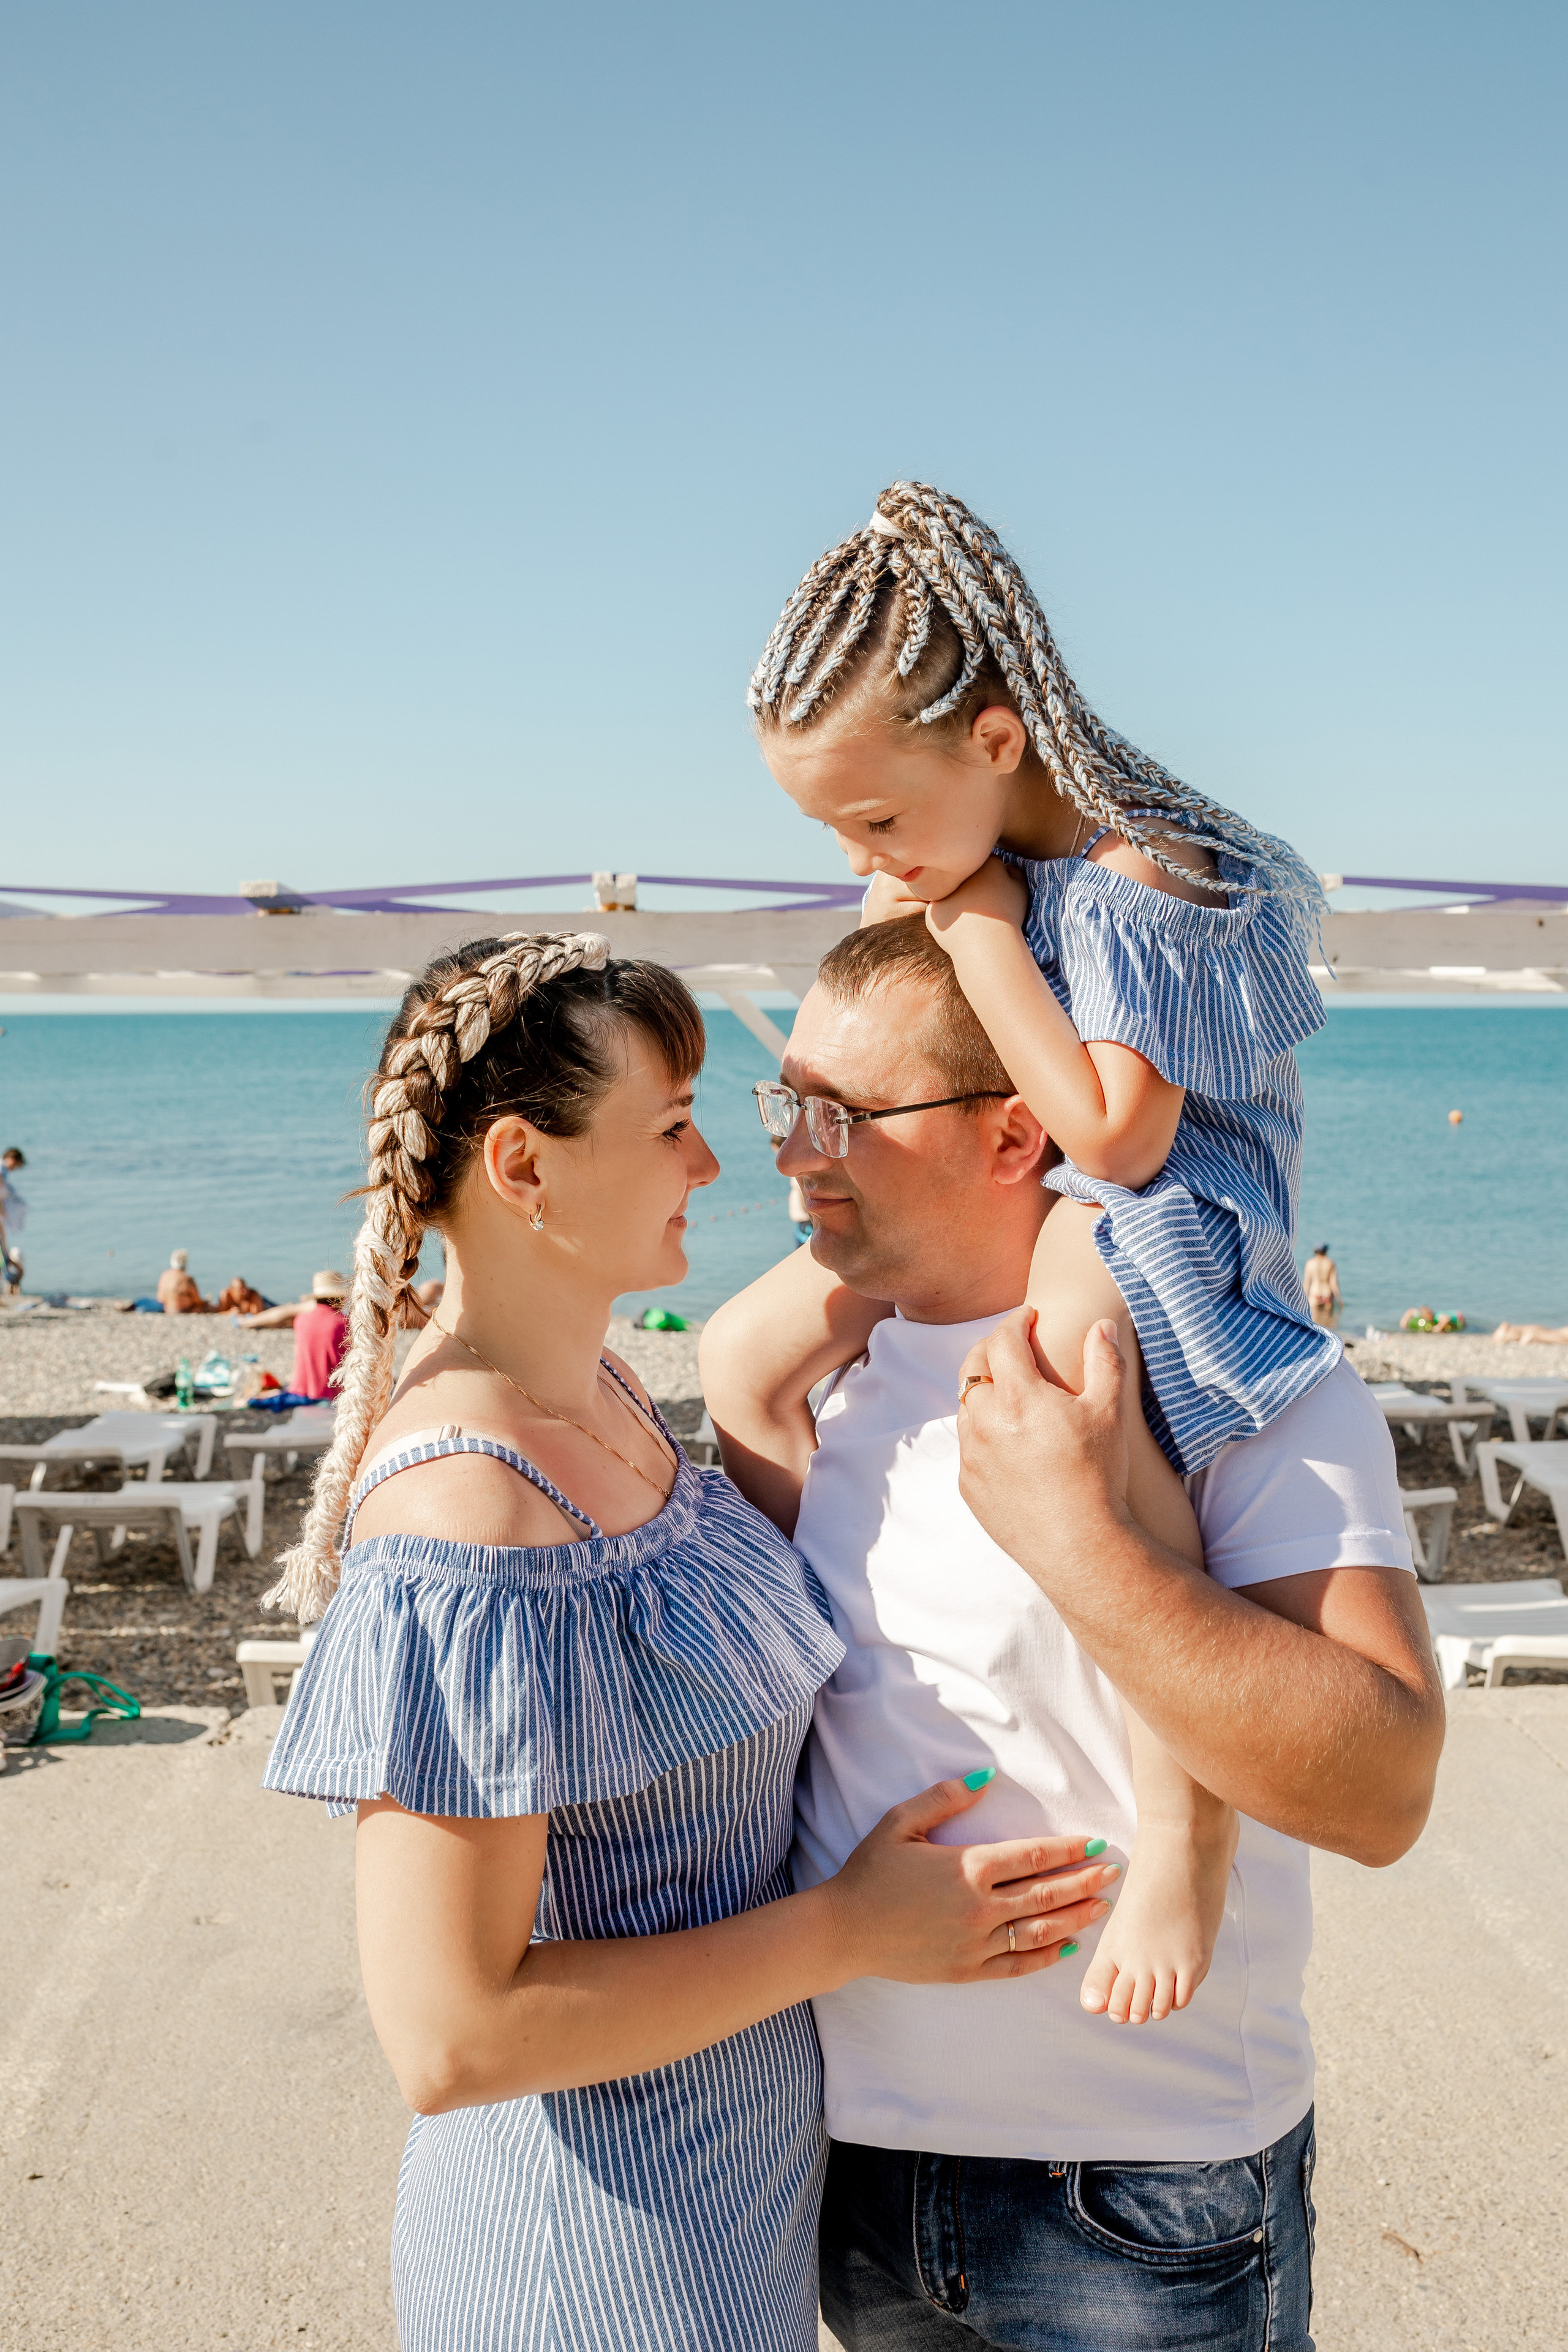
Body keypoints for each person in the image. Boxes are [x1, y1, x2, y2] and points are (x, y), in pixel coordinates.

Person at [260, 930, 1113, 2352]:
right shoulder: (464, 1512)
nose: (716, 1164)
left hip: (730, 2216)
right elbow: (451, 2035)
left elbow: (953, 1211)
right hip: (588, 2260)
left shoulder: (593, 1381)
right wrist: (845, 1929)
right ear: (524, 1168)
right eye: (669, 1126)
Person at [700, 919, 1444, 2349]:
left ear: (1010, 1134)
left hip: (1144, 2178)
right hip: (853, 2162)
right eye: (784, 1102)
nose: (792, 1149)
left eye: (842, 1115)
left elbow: (1382, 1790)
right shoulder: (812, 1387)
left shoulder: (1229, 1379)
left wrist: (1077, 1543)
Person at [736, 480, 1341, 2024]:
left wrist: (980, 928)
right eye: (832, 827)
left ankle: (1184, 1820)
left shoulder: (1132, 875)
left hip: (1172, 1205)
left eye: (875, 817)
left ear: (995, 743)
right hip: (1082, 1189)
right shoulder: (1008, 864)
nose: (867, 852)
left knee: (1081, 1398)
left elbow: (1118, 1133)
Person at [236, 1270, 350, 1401]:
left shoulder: (301, 1320)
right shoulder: (343, 1324)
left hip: (301, 1389)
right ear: (340, 1298)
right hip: (331, 1393)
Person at [155, 1249, 216, 1314]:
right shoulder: (187, 1279)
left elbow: (160, 1298)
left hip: (167, 1309)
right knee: (209, 1307)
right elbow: (197, 1301)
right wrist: (206, 1301)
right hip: (185, 1311)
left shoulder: (165, 1276)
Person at [0, 1146, 25, 1297]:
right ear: (12, 1160)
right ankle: (12, 1278)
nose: (15, 1169)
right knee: (2, 1251)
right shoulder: (2, 1169)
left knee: (3, 1251)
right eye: (16, 1165)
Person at [1302, 1245, 1342, 1329]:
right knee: (1328, 1325)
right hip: (1327, 1295)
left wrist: (1303, 1299)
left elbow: (1307, 1283)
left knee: (1314, 1324)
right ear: (1325, 1251)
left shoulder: (1310, 1263)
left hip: (1314, 1295)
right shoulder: (1330, 1262)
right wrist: (1339, 1299)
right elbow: (1334, 1283)